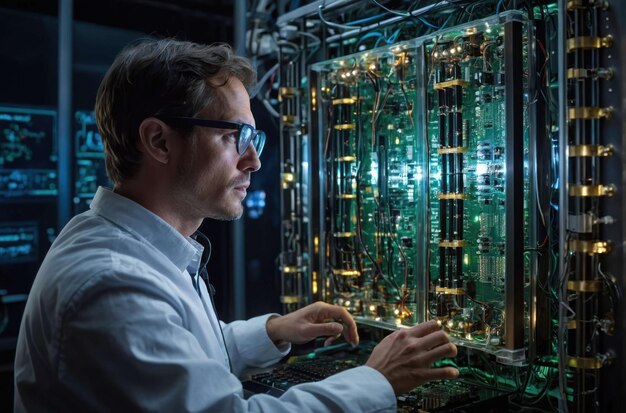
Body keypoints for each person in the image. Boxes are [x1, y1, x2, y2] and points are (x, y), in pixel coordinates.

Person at [13, 38, 458, 412]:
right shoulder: (111, 285)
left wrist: (271, 332)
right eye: (233, 137)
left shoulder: (133, 249)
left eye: (254, 137)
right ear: (159, 140)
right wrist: (377, 380)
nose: (254, 160)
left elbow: (183, 349)